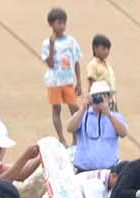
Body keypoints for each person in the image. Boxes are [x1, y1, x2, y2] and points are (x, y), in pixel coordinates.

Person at [66, 81, 128, 172]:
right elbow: (69, 128)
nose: (99, 100)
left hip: (108, 170)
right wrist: (83, 109)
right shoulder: (83, 115)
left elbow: (123, 133)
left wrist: (109, 114)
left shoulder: (116, 117)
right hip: (84, 170)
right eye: (96, 96)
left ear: (109, 98)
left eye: (103, 96)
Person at [42, 7, 82, 146]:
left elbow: (76, 61)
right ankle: (61, 138)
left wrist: (79, 81)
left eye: (64, 22)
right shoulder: (47, 43)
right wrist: (52, 46)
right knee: (56, 109)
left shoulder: (71, 41)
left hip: (68, 81)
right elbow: (50, 64)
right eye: (59, 23)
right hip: (54, 82)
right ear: (51, 24)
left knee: (74, 109)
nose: (62, 26)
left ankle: (76, 137)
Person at [86, 34, 116, 105]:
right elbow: (92, 83)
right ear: (95, 48)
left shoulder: (106, 64)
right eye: (104, 49)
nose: (106, 51)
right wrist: (93, 99)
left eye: (108, 49)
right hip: (99, 99)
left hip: (109, 98)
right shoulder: (93, 64)